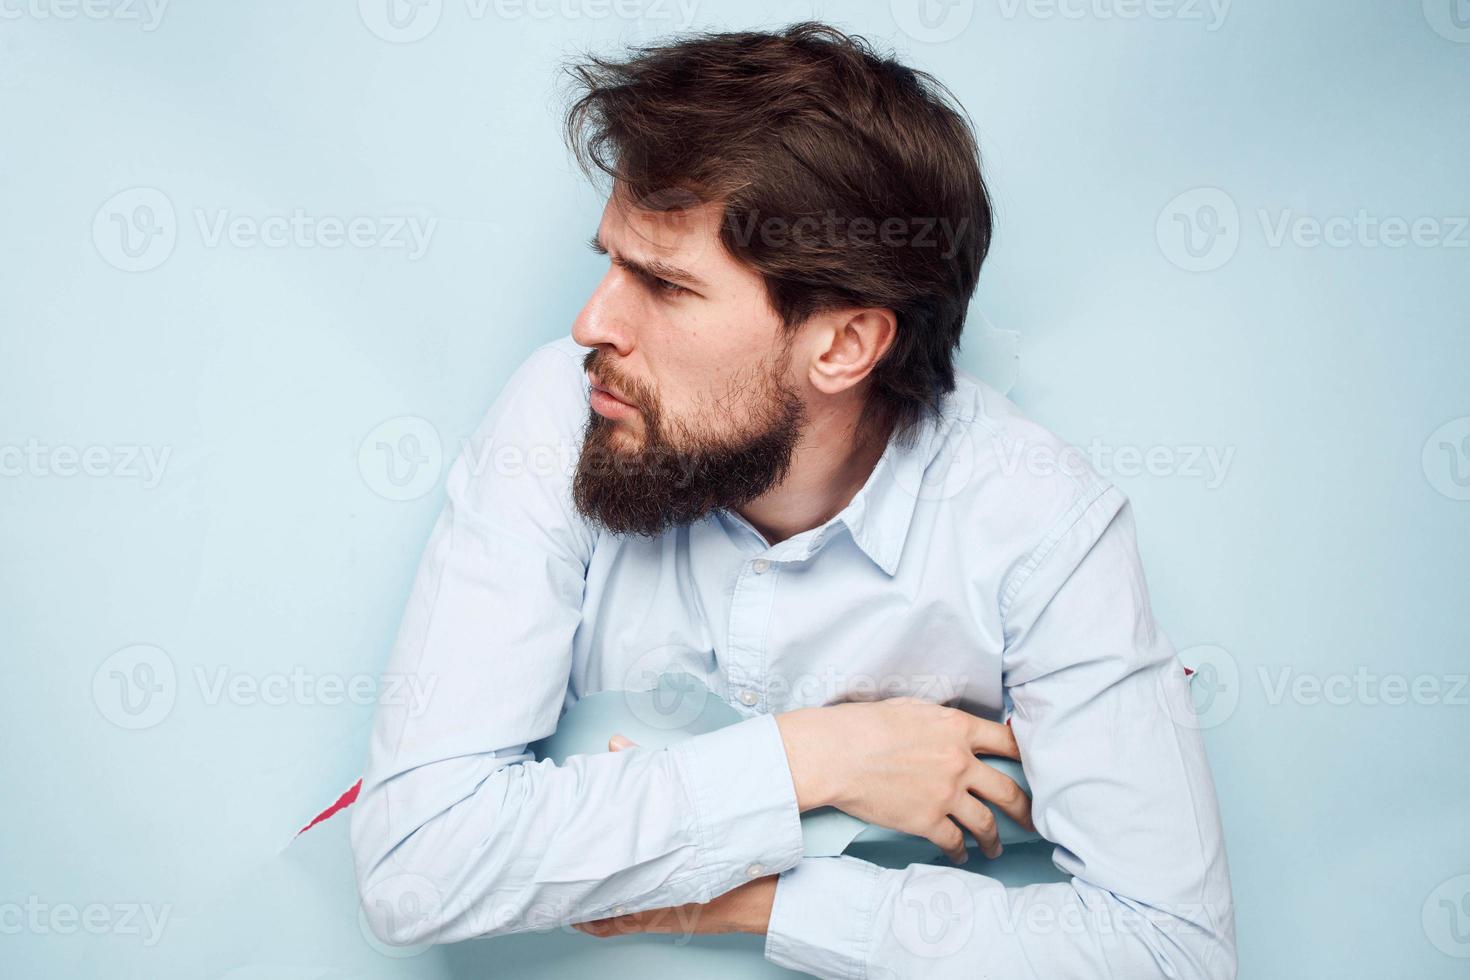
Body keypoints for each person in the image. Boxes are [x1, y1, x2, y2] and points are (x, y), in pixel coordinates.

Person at [350, 22, 1235, 979]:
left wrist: (752, 900)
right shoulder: (564, 410)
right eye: (610, 261)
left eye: (661, 283)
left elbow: (1169, 951)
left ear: (844, 347)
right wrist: (822, 757)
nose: (592, 324)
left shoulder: (1043, 528)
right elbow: (416, 862)